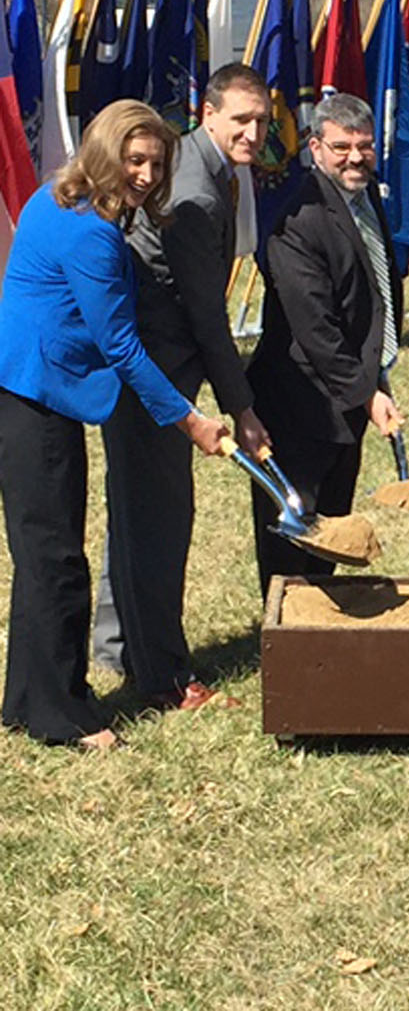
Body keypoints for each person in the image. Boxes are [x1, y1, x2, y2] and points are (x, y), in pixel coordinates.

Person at [0, 101, 227, 749]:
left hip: (32, 390)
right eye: (135, 160)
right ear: (104, 152)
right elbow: (122, 345)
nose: (148, 174)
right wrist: (191, 420)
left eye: (157, 162)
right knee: (57, 561)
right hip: (33, 395)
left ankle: (26, 697)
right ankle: (62, 714)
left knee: (43, 551)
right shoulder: (91, 233)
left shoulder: (58, 197)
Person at [90, 63, 272, 707]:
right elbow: (206, 314)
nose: (252, 133)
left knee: (136, 510)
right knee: (160, 521)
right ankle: (162, 672)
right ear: (208, 110)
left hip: (152, 368)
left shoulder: (209, 167)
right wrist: (241, 407)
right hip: (152, 377)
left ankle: (117, 645)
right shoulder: (192, 191)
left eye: (262, 122)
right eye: (241, 120)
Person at [245, 94, 404, 591]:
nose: (355, 157)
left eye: (364, 146)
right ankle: (285, 637)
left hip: (344, 404)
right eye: (341, 147)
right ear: (315, 147)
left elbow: (375, 293)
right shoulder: (299, 219)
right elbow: (315, 327)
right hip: (299, 405)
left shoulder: (363, 196)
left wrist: (369, 382)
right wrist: (366, 392)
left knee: (333, 527)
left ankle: (322, 629)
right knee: (293, 536)